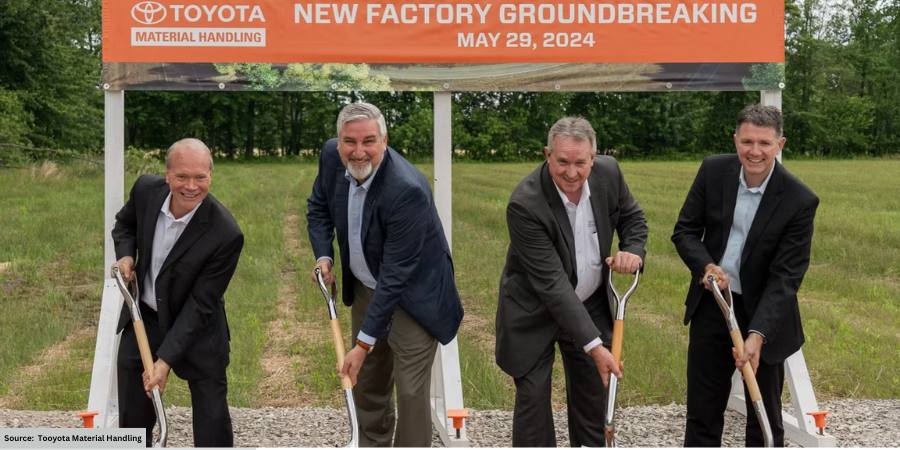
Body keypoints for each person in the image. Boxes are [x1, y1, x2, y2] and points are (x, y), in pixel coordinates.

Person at [306, 102, 464, 447]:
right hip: (366, 286)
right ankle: (372, 443)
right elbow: (318, 205)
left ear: (385, 140)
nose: (358, 151)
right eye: (350, 141)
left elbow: (395, 276)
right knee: (369, 381)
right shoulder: (333, 157)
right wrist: (323, 255)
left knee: (410, 391)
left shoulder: (406, 189)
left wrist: (362, 344)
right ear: (338, 140)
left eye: (369, 141)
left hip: (415, 295)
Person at [671, 104, 819, 447]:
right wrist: (706, 266)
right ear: (735, 138)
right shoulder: (713, 171)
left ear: (780, 144)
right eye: (747, 141)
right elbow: (685, 232)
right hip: (714, 305)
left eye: (764, 143)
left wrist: (757, 335)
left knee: (763, 416)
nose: (755, 151)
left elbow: (786, 277)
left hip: (765, 313)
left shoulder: (799, 199)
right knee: (703, 412)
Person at [495, 116, 648, 447]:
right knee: (533, 401)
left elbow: (633, 217)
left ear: (594, 157)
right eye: (562, 161)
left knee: (594, 399)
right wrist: (595, 346)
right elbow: (552, 285)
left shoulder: (610, 174)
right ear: (547, 154)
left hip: (590, 301)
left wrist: (632, 250)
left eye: (581, 163)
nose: (572, 172)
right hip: (533, 309)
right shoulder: (525, 203)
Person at [112, 138, 243, 447]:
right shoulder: (146, 190)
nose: (191, 186)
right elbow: (124, 225)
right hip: (144, 319)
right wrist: (126, 255)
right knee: (132, 419)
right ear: (167, 174)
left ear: (211, 175)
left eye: (200, 177)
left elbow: (201, 304)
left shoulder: (226, 233)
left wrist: (165, 361)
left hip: (198, 329)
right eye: (182, 176)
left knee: (212, 423)